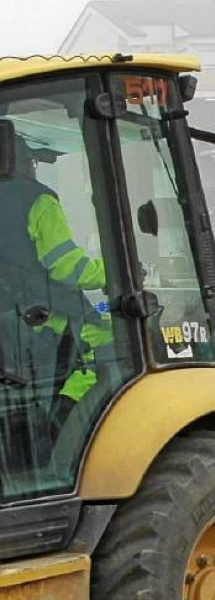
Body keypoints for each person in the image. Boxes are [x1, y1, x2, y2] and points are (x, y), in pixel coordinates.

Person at [0, 133, 111, 421]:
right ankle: (67, 423)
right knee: (109, 347)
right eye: (30, 159)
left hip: (12, 319)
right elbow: (65, 266)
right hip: (45, 314)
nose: (33, 166)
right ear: (19, 161)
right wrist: (110, 271)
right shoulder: (37, 200)